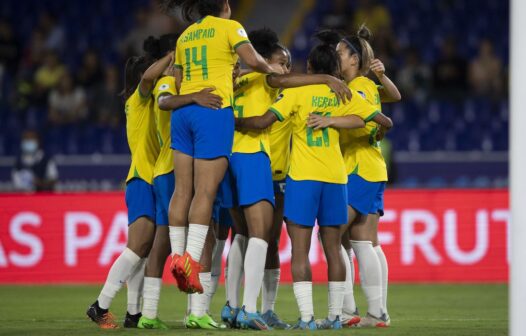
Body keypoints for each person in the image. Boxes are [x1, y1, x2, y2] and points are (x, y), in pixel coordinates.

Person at [234, 38, 393, 330]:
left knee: (299, 251)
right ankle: (335, 317)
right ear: (334, 68)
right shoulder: (344, 93)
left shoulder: (297, 93)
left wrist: (232, 121)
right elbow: (384, 121)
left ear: (309, 67)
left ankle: (307, 318)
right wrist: (337, 121)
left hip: (303, 179)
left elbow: (261, 122)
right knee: (335, 249)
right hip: (336, 179)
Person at [219, 27, 352, 330]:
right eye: (282, 62)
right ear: (266, 60)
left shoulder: (241, 80)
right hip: (265, 167)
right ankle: (255, 309)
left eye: (290, 63)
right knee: (261, 238)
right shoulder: (272, 82)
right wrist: (326, 77)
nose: (286, 69)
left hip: (243, 163)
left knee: (248, 237)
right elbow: (277, 86)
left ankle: (244, 306)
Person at [163, 0, 283, 300]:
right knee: (204, 192)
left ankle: (178, 256)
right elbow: (253, 60)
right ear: (225, 6)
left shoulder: (186, 34)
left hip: (184, 113)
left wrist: (196, 93)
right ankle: (189, 259)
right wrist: (268, 69)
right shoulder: (230, 27)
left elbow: (177, 82)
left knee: (182, 190)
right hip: (213, 111)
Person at [316, 26, 401, 328]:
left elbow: (363, 119)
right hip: (370, 168)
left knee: (333, 232)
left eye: (340, 53)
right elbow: (393, 96)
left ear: (354, 58)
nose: (335, 57)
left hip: (359, 168)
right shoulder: (364, 84)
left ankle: (346, 308)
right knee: (365, 241)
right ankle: (376, 312)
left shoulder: (360, 86)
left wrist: (329, 120)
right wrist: (381, 76)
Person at [86, 52, 172, 329]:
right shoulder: (139, 98)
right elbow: (149, 77)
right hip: (141, 179)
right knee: (137, 248)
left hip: (150, 179)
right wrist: (173, 54)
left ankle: (134, 314)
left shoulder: (144, 104)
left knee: (143, 251)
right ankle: (101, 305)